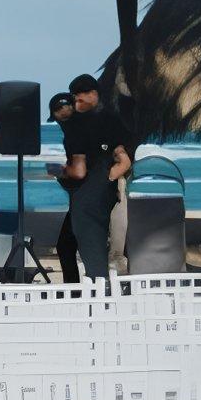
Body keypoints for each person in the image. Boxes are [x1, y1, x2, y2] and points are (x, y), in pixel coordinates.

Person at [58, 73, 132, 278]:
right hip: (86, 194)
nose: (77, 104)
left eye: (80, 99)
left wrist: (105, 179)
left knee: (107, 249)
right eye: (75, 100)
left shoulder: (108, 120)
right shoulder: (81, 121)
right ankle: (75, 294)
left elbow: (124, 161)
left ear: (93, 94)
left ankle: (97, 294)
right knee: (66, 245)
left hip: (103, 193)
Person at [44, 92, 87, 282]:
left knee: (67, 246)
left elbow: (79, 173)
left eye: (58, 118)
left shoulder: (76, 134)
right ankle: (77, 291)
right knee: (69, 246)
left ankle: (77, 292)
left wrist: (60, 171)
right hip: (86, 198)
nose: (59, 123)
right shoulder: (82, 129)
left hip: (88, 200)